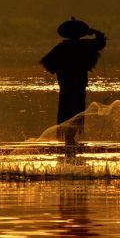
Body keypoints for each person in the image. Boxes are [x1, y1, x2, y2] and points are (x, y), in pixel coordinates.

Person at [40, 17, 106, 146]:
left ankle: (68, 139)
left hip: (65, 84)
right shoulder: (85, 45)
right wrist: (93, 31)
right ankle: (70, 139)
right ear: (80, 34)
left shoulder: (61, 47)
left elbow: (47, 63)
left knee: (65, 109)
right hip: (78, 83)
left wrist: (59, 68)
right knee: (77, 110)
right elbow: (101, 42)